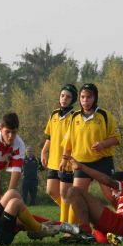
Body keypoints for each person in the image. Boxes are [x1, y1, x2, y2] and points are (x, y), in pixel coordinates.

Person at [60, 83, 121, 205]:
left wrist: (103, 144)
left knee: (112, 197)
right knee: (76, 198)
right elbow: (68, 143)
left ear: (95, 98)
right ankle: (78, 225)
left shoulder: (104, 115)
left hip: (102, 162)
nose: (85, 100)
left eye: (89, 97)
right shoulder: (74, 117)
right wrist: (64, 160)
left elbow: (117, 139)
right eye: (82, 97)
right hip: (81, 163)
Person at [64, 158, 123, 243]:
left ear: (121, 183)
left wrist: (82, 167)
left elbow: (108, 181)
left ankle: (85, 233)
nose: (112, 194)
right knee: (97, 231)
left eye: (113, 190)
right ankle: (87, 234)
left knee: (73, 191)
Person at [41, 84, 78, 222]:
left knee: (65, 194)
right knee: (51, 190)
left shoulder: (75, 116)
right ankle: (74, 213)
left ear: (72, 99)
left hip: (67, 160)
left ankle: (66, 226)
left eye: (68, 97)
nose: (64, 99)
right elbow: (50, 136)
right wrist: (44, 151)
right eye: (62, 95)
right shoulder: (54, 114)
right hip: (53, 160)